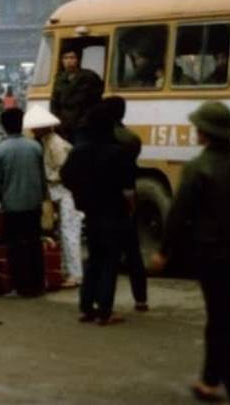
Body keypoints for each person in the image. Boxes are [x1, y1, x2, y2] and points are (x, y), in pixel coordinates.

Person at [151, 102, 230, 405]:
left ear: (205, 132)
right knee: (221, 316)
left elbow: (178, 215)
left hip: (211, 256)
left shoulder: (198, 168)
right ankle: (209, 381)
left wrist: (164, 251)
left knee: (224, 324)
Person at [61, 101, 136, 325]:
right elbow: (128, 190)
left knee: (93, 259)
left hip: (90, 212)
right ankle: (105, 310)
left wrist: (80, 194)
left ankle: (86, 307)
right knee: (110, 261)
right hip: (114, 212)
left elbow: (66, 176)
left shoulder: (79, 151)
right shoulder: (118, 153)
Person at [0, 107, 46, 296]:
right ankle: (38, 284)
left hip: (12, 206)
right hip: (34, 204)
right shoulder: (35, 147)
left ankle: (20, 286)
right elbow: (42, 177)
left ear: (4, 127)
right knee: (34, 243)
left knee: (15, 246)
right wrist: (44, 199)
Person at [23, 105, 81, 288]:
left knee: (69, 232)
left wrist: (50, 179)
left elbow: (65, 170)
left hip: (66, 191)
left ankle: (76, 274)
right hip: (59, 191)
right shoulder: (48, 142)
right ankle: (67, 270)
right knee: (63, 233)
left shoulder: (55, 143)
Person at [103, 96, 148, 312]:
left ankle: (106, 303)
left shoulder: (102, 139)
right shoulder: (131, 138)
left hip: (107, 199)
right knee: (133, 252)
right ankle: (141, 299)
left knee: (109, 255)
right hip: (127, 196)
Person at [50, 48, 104, 142]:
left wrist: (86, 120)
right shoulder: (59, 78)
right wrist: (56, 120)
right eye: (65, 58)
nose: (68, 61)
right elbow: (54, 101)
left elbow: (96, 101)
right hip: (64, 124)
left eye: (72, 58)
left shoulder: (89, 77)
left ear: (78, 60)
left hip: (83, 123)